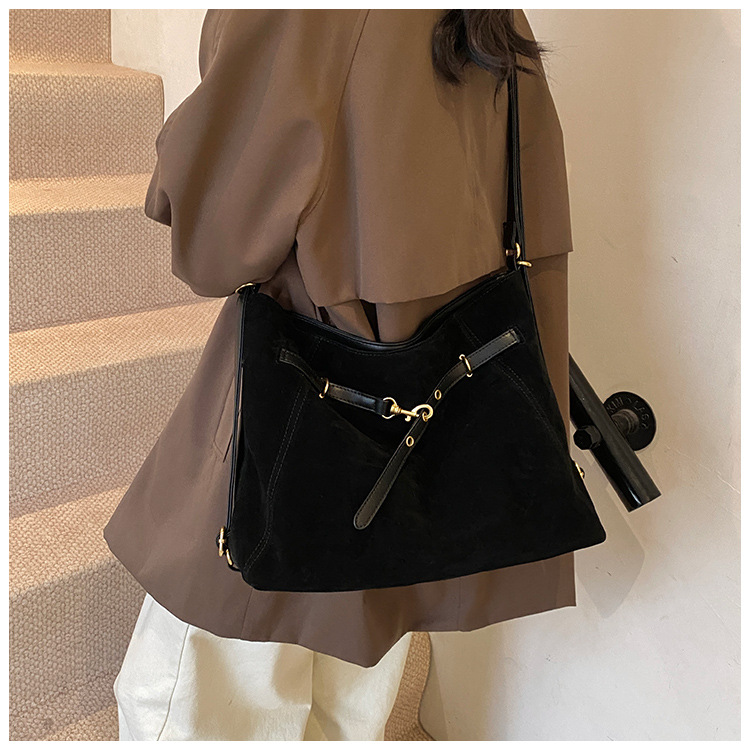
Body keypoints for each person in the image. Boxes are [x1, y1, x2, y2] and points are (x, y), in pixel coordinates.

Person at [105, 8, 577, 740]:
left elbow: (213, 240)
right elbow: (535, 232)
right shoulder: (494, 16)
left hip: (299, 409)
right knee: (347, 703)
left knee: (198, 701)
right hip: (429, 436)